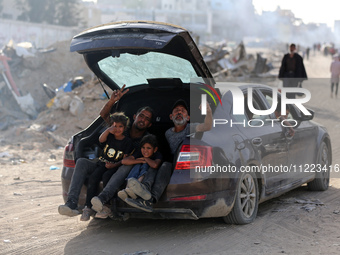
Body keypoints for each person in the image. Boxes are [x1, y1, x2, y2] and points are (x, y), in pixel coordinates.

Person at [58, 85, 153, 218]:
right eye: (141, 116)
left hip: (120, 168)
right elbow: (104, 116)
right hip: (104, 163)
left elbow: (130, 160)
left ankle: (104, 201)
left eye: (147, 119)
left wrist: (113, 165)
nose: (143, 119)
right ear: (135, 116)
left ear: (149, 124)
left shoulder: (145, 141)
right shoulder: (121, 128)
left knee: (126, 164)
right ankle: (71, 203)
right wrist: (112, 101)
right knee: (81, 162)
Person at [124, 99, 213, 212]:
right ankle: (144, 191)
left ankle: (150, 201)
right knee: (155, 165)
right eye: (176, 111)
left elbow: (207, 126)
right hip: (167, 162)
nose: (179, 112)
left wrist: (208, 112)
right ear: (171, 117)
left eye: (183, 111)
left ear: (188, 118)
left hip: (181, 166)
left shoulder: (189, 128)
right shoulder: (168, 133)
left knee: (165, 165)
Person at [79, 112, 133, 221]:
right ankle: (88, 207)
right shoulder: (110, 137)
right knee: (93, 178)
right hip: (103, 163)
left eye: (120, 126)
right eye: (114, 126)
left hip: (116, 166)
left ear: (125, 127)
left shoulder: (127, 142)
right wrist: (108, 130)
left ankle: (107, 206)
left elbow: (125, 159)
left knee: (107, 178)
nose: (117, 129)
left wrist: (114, 165)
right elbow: (101, 140)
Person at [117, 134, 162, 201]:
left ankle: (137, 185)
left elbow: (155, 165)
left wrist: (145, 159)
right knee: (137, 165)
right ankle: (128, 188)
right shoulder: (139, 153)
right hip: (134, 177)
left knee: (145, 165)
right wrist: (138, 161)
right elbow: (124, 161)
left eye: (148, 148)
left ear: (155, 149)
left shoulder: (157, 155)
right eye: (143, 148)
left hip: (145, 179)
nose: (145, 150)